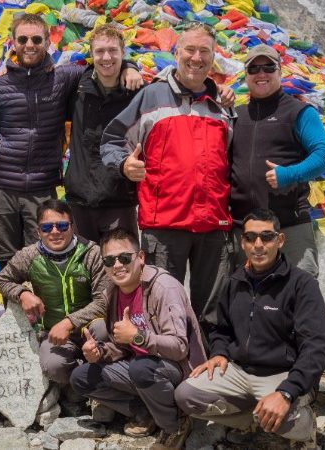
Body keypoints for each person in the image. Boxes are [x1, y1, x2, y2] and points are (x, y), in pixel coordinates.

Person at [100, 22, 234, 324]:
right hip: (164, 223)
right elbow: (111, 140)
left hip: (214, 223)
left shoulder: (222, 106)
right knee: (161, 303)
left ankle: (207, 364)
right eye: (190, 49)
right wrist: (123, 164)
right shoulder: (152, 97)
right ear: (176, 52)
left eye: (205, 51)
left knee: (211, 310)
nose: (196, 58)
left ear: (214, 57)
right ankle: (166, 365)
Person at [0, 13, 142, 267]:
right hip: (4, 186)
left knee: (42, 261)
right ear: (12, 42)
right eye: (23, 39)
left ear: (48, 41)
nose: (29, 45)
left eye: (36, 39)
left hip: (43, 186)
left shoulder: (64, 78)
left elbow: (103, 66)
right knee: (6, 263)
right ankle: (12, 307)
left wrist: (130, 65)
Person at [175, 209, 325, 448]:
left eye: (267, 237)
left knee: (286, 417)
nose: (258, 244)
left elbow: (317, 346)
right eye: (251, 237)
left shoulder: (302, 284)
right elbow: (221, 328)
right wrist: (219, 352)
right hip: (241, 372)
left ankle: (304, 427)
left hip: (283, 373)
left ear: (280, 240)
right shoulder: (234, 281)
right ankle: (255, 419)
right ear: (243, 242)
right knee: (186, 396)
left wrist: (288, 392)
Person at [69, 228, 205, 450]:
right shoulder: (113, 292)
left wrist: (138, 337)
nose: (117, 265)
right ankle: (145, 412)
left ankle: (174, 425)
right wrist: (99, 352)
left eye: (124, 258)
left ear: (140, 257)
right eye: (109, 260)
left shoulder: (163, 287)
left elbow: (180, 347)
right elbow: (121, 346)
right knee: (81, 377)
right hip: (140, 364)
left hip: (178, 368)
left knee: (141, 369)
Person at [229, 44, 325, 278]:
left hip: (289, 225)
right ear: (245, 75)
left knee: (299, 295)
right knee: (245, 299)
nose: (261, 74)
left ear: (280, 71)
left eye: (269, 67)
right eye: (254, 69)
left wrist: (289, 174)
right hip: (244, 229)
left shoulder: (298, 112)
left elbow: (324, 156)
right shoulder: (236, 114)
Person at [0, 199, 110, 383]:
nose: (55, 232)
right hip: (53, 333)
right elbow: (2, 279)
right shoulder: (29, 255)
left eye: (62, 226)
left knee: (103, 330)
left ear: (72, 227)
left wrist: (69, 322)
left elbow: (103, 302)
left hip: (90, 326)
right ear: (38, 231)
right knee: (53, 366)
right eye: (47, 227)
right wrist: (22, 293)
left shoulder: (92, 252)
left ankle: (102, 382)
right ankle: (79, 387)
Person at [63, 23, 140, 241]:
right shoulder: (77, 90)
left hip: (120, 200)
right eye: (100, 51)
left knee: (121, 269)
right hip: (79, 201)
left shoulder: (137, 93)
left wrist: (131, 66)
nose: (107, 57)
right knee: (83, 271)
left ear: (123, 53)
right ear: (91, 55)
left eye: (113, 51)